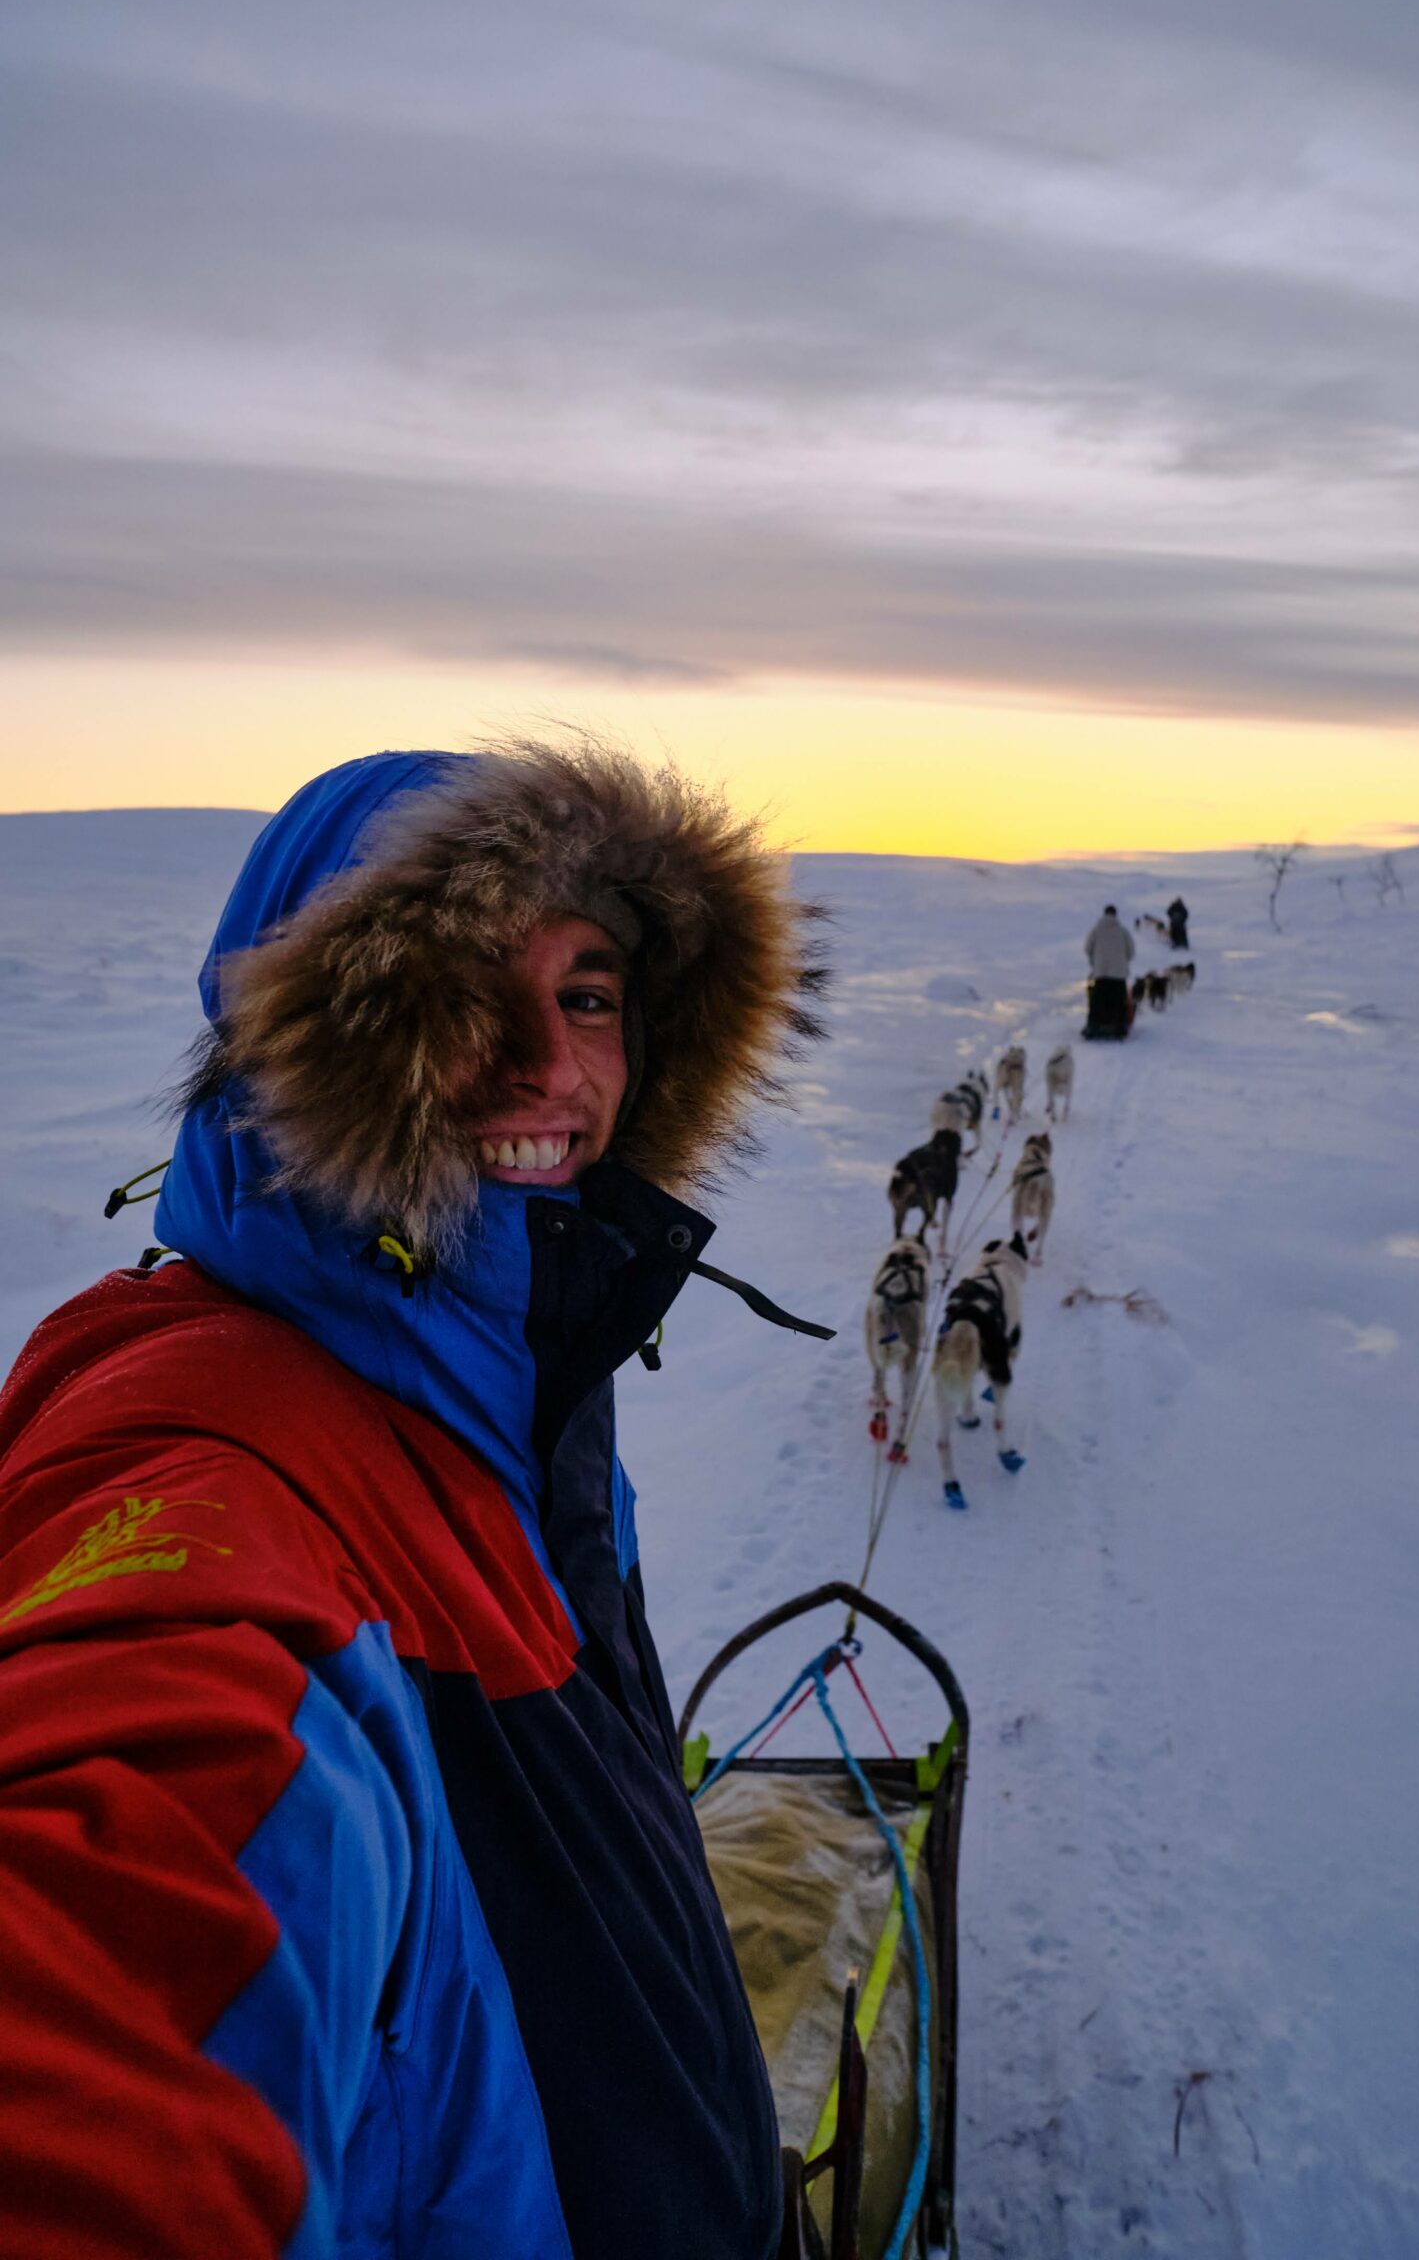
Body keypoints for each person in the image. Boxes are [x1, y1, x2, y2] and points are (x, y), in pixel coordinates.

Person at [0, 737, 829, 2260]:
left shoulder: (513, 1381)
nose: (546, 1067)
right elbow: (125, 1906)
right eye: (459, 998)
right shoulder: (208, 1446)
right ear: (307, 1043)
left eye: (589, 996)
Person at [1082, 901, 1136, 1040]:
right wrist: (1122, 962)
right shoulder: (1123, 930)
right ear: (1115, 915)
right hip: (1119, 975)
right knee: (1118, 1002)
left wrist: (1095, 962)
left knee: (1099, 1001)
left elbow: (1087, 948)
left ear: (1104, 914)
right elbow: (1131, 951)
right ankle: (1118, 1027)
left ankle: (1095, 1026)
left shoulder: (1096, 930)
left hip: (1101, 973)